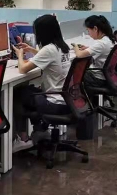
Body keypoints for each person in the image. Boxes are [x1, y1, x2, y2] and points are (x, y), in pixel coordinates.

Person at [12, 14, 72, 152]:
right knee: (29, 91)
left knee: (17, 94)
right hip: (66, 99)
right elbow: (48, 56)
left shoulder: (48, 49)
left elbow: (22, 69)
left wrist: (20, 54)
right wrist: (31, 50)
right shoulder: (62, 47)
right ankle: (40, 130)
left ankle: (23, 139)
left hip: (54, 103)